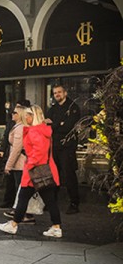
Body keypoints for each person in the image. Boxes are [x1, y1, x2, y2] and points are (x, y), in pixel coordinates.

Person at [0, 105, 63, 237]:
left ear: (34, 116)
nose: (25, 117)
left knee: (23, 198)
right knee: (49, 201)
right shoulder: (44, 130)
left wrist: (30, 164)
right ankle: (56, 227)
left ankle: (13, 224)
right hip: (45, 171)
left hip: (34, 172)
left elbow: (37, 153)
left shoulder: (34, 131)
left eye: (28, 114)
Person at [45, 85, 81, 214]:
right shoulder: (53, 108)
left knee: (69, 174)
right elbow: (46, 125)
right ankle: (51, 202)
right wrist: (59, 123)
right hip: (54, 146)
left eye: (59, 92)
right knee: (54, 174)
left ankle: (74, 203)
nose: (57, 95)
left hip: (67, 147)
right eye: (55, 93)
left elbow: (68, 127)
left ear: (65, 93)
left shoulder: (73, 107)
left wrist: (55, 124)